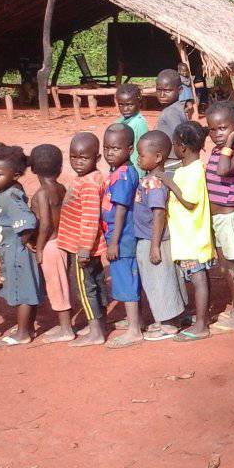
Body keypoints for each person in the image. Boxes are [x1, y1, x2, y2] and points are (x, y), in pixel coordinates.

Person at [132, 132, 187, 341]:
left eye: (141, 155)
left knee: (159, 281)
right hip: (154, 238)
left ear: (157, 157)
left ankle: (169, 323)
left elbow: (158, 213)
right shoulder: (154, 179)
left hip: (152, 239)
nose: (138, 158)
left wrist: (154, 245)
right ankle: (172, 318)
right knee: (165, 278)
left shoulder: (153, 183)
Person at [55, 132, 109, 347]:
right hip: (91, 246)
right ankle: (101, 325)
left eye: (84, 158)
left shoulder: (88, 184)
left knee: (85, 290)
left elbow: (89, 218)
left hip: (82, 248)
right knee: (96, 284)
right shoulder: (93, 177)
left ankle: (95, 332)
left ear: (96, 158)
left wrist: (84, 249)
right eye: (73, 157)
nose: (78, 162)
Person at [162, 121, 214, 340]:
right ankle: (202, 318)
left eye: (174, 144)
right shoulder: (185, 169)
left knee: (198, 280)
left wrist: (169, 183)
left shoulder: (194, 171)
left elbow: (190, 201)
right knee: (198, 278)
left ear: (182, 146)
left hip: (193, 239)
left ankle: (201, 325)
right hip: (187, 237)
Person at [0, 151, 43, 342]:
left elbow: (28, 221)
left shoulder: (11, 197)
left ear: (15, 176)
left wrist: (23, 242)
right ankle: (28, 329)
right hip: (12, 252)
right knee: (25, 291)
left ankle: (22, 334)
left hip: (17, 254)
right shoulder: (3, 192)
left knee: (22, 295)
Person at [204, 102, 234, 333]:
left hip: (230, 217)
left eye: (223, 128)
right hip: (218, 220)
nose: (217, 134)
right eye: (212, 130)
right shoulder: (217, 151)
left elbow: (224, 170)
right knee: (225, 267)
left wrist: (231, 143)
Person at [99, 124, 143, 348]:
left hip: (122, 238)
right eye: (106, 148)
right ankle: (135, 321)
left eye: (115, 148)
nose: (110, 153)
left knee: (127, 281)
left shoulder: (124, 175)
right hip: (119, 237)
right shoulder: (119, 171)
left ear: (129, 149)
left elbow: (121, 210)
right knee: (127, 279)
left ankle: (134, 330)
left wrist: (114, 242)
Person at [27, 144, 73, 343]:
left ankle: (66, 329)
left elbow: (45, 224)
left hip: (50, 245)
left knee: (56, 287)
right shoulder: (61, 188)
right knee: (62, 284)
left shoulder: (41, 193)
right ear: (60, 168)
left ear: (33, 169)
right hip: (63, 241)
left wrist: (39, 247)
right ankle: (65, 326)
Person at [154, 69, 190, 171]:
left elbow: (180, 135)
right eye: (159, 90)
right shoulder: (177, 108)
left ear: (180, 90)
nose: (162, 95)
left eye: (167, 91)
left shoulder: (170, 112)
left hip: (171, 160)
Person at [115, 83, 148, 171]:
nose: (125, 109)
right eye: (121, 105)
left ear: (139, 103)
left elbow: (143, 151)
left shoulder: (138, 123)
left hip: (134, 169)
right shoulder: (119, 121)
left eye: (130, 105)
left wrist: (139, 174)